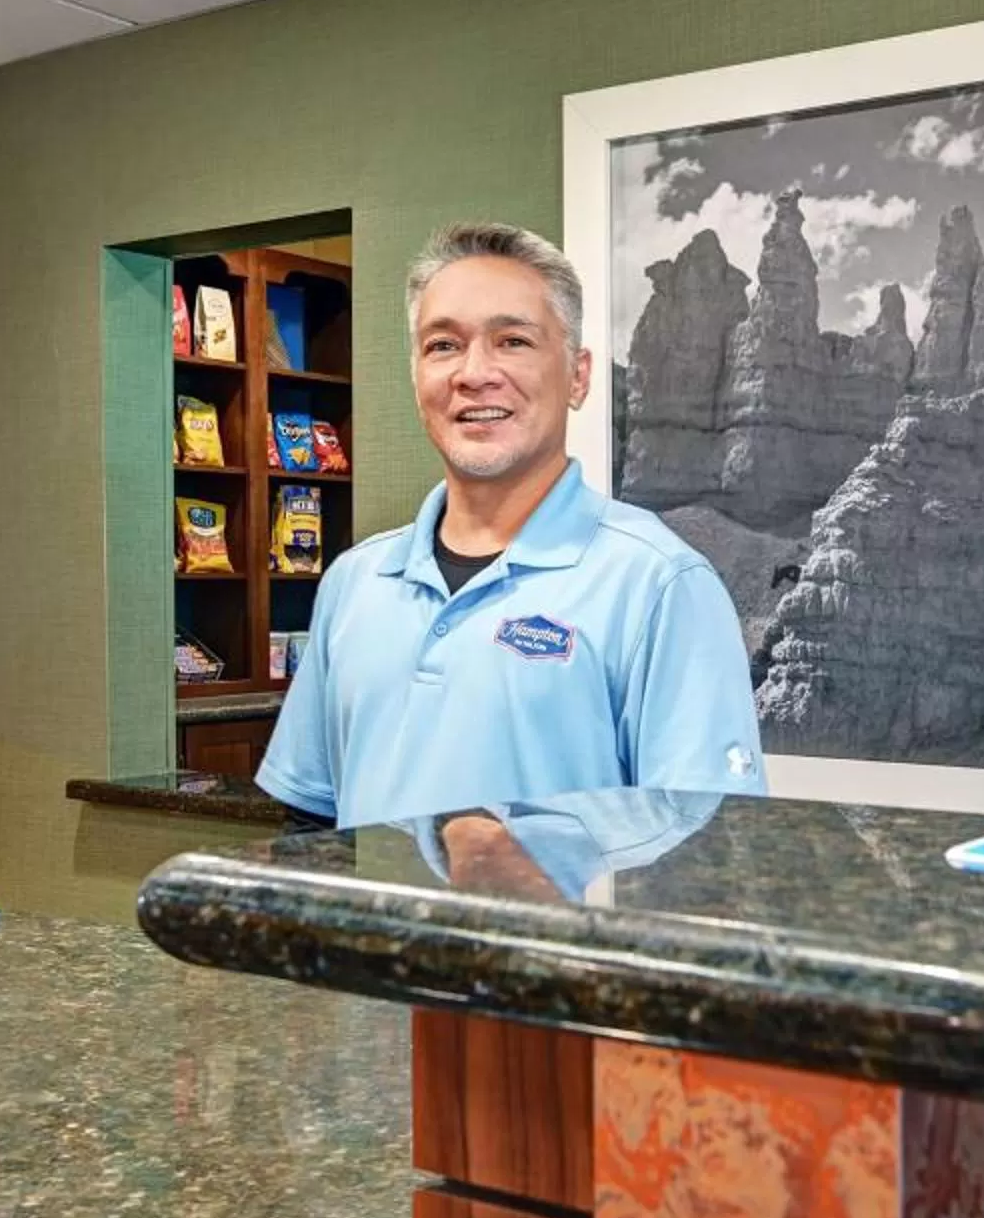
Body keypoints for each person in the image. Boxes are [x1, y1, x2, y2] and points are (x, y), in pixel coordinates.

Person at [257, 222, 766, 831]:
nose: (474, 373)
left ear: (578, 377)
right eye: (442, 345)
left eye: (513, 341)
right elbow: (310, 818)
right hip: (365, 932)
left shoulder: (659, 584)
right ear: (416, 375)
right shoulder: (354, 581)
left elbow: (705, 854)